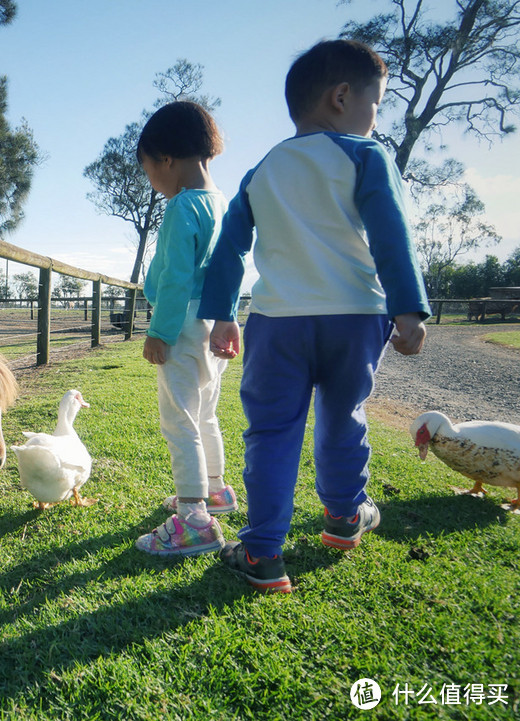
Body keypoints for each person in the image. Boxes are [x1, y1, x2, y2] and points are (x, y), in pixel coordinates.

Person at [198, 39, 430, 593]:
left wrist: (224, 315)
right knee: (343, 413)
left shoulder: (262, 170)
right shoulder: (366, 155)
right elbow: (391, 234)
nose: (375, 118)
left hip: (279, 321)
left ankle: (261, 554)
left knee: (273, 432)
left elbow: (228, 249)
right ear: (342, 96)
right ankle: (345, 516)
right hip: (356, 315)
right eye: (376, 104)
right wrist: (408, 310)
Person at [132, 101, 238, 558]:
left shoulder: (182, 207)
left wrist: (160, 331)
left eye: (149, 169)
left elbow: (175, 278)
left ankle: (194, 517)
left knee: (179, 419)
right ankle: (215, 491)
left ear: (167, 159)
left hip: (184, 325)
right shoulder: (222, 202)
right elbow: (232, 267)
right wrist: (228, 316)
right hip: (213, 324)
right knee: (206, 412)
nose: (151, 181)